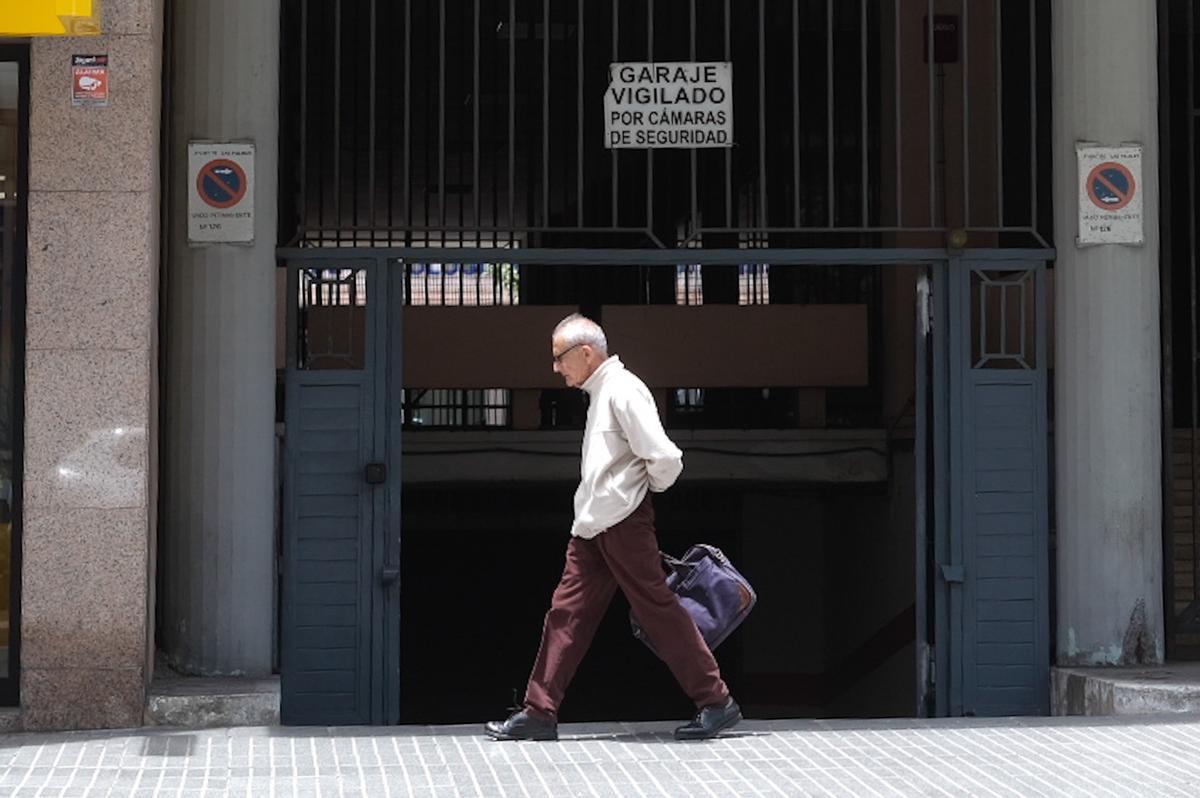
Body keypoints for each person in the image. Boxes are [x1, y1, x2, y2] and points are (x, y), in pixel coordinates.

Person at [485, 313, 741, 742]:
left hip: (621, 521)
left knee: (656, 609)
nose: (555, 368)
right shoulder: (603, 391)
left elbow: (665, 458)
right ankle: (539, 711)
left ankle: (716, 701)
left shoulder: (623, 390)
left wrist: (637, 494)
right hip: (592, 525)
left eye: (559, 357)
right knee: (567, 614)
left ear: (586, 353)